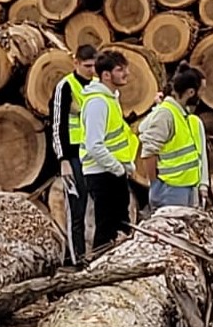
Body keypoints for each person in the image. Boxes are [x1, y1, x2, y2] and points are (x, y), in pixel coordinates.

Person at [78, 50, 137, 250]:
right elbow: (94, 144)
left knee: (121, 226)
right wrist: (117, 168)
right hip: (103, 173)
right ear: (106, 75)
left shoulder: (111, 99)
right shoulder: (97, 103)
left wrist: (125, 165)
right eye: (120, 70)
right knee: (106, 229)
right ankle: (100, 269)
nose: (126, 73)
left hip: (113, 172)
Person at [50, 44, 97, 262]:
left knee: (94, 206)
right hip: (74, 155)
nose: (91, 70)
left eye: (94, 66)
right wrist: (63, 159)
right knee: (76, 208)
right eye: (87, 66)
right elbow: (57, 125)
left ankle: (95, 253)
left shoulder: (97, 86)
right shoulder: (65, 87)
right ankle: (76, 257)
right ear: (76, 63)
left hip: (94, 153)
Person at [137, 65, 206, 209]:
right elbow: (148, 152)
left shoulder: (183, 115)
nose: (202, 95)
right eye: (201, 91)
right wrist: (155, 185)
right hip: (170, 190)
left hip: (185, 188)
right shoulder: (166, 114)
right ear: (191, 92)